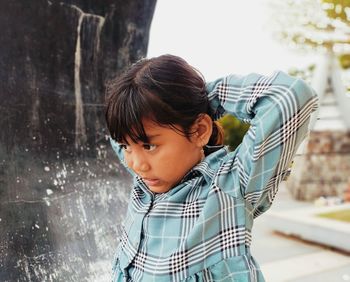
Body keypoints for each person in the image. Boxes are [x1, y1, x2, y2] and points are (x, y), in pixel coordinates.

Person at [105, 54, 318, 281]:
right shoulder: (145, 180)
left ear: (199, 131)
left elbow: (290, 97)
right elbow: (119, 130)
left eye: (149, 145)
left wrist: (203, 98)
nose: (136, 165)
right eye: (126, 147)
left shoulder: (229, 187)